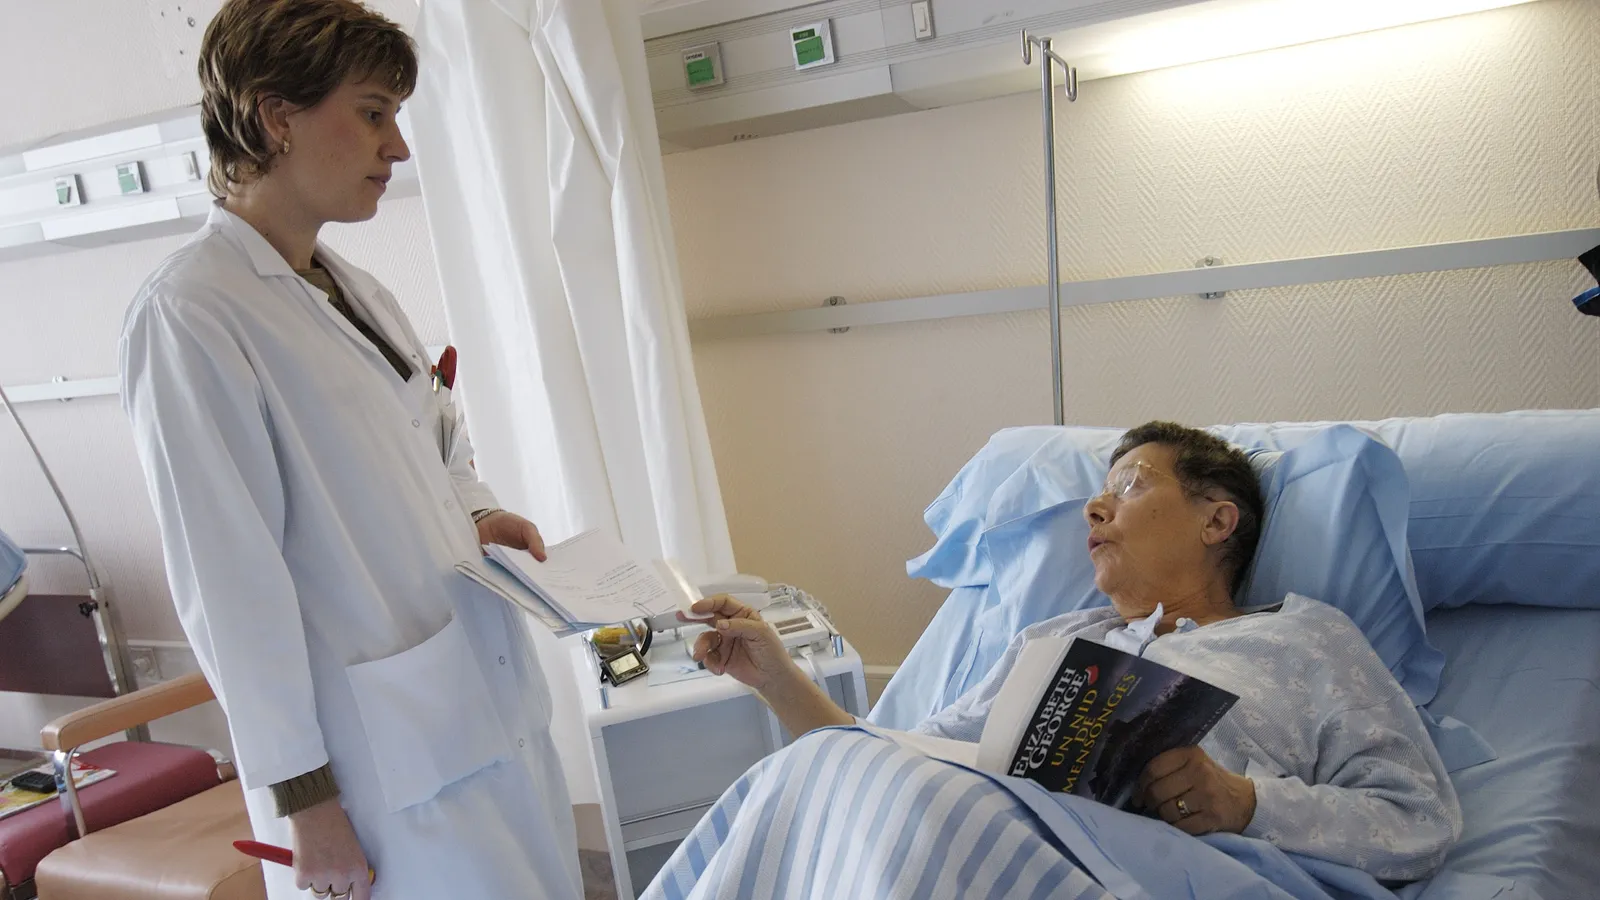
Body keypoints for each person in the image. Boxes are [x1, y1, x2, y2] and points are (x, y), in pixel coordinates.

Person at [119, 2, 582, 898]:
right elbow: (229, 591)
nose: (398, 147)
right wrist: (307, 804)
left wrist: (478, 509)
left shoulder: (354, 289)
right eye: (374, 113)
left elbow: (437, 438)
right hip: (373, 774)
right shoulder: (191, 317)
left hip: (472, 709)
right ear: (274, 116)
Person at [688, 421, 1463, 883]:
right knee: (811, 769)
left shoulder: (1304, 636)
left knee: (934, 806)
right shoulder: (1058, 639)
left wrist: (1246, 801)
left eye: (1128, 487)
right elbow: (903, 758)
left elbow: (1417, 818)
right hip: (985, 827)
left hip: (1184, 869)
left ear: (1217, 522)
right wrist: (777, 678)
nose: (1095, 507)